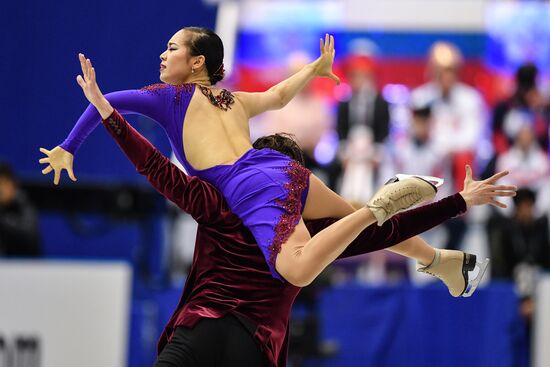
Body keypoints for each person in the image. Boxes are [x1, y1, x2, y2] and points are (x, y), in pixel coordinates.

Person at [39, 28, 513, 294]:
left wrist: (69, 145)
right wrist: (316, 69)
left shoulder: (171, 97)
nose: (162, 55)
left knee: (300, 269)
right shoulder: (235, 100)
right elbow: (280, 95)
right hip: (281, 169)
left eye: (171, 48)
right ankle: (443, 262)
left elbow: (107, 103)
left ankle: (384, 203)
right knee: (351, 224)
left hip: (250, 188)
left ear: (198, 61)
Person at [98, 104, 515, 367]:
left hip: (199, 330)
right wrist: (459, 202)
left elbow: (157, 167)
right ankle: (437, 258)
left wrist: (108, 114)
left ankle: (436, 258)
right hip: (255, 343)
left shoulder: (216, 199)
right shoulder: (309, 227)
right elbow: (388, 232)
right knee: (359, 221)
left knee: (356, 223)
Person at [0, 163, 41, 257]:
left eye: (4, 183)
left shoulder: (24, 203)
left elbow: (29, 236)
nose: (0, 189)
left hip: (24, 266)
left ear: (13, 185)